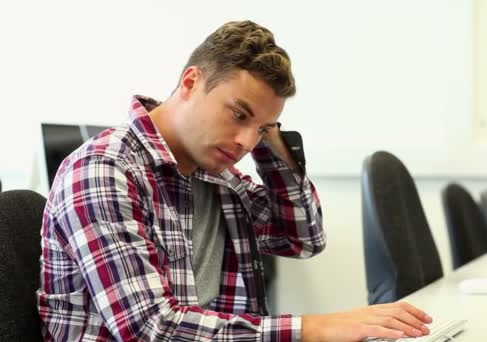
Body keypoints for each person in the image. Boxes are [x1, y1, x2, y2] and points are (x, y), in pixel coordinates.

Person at [37, 20, 432, 341]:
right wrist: (317, 327)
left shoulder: (215, 174)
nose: (246, 141)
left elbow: (303, 237)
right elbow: (151, 330)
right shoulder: (105, 171)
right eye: (239, 114)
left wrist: (269, 139)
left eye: (261, 128)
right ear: (190, 82)